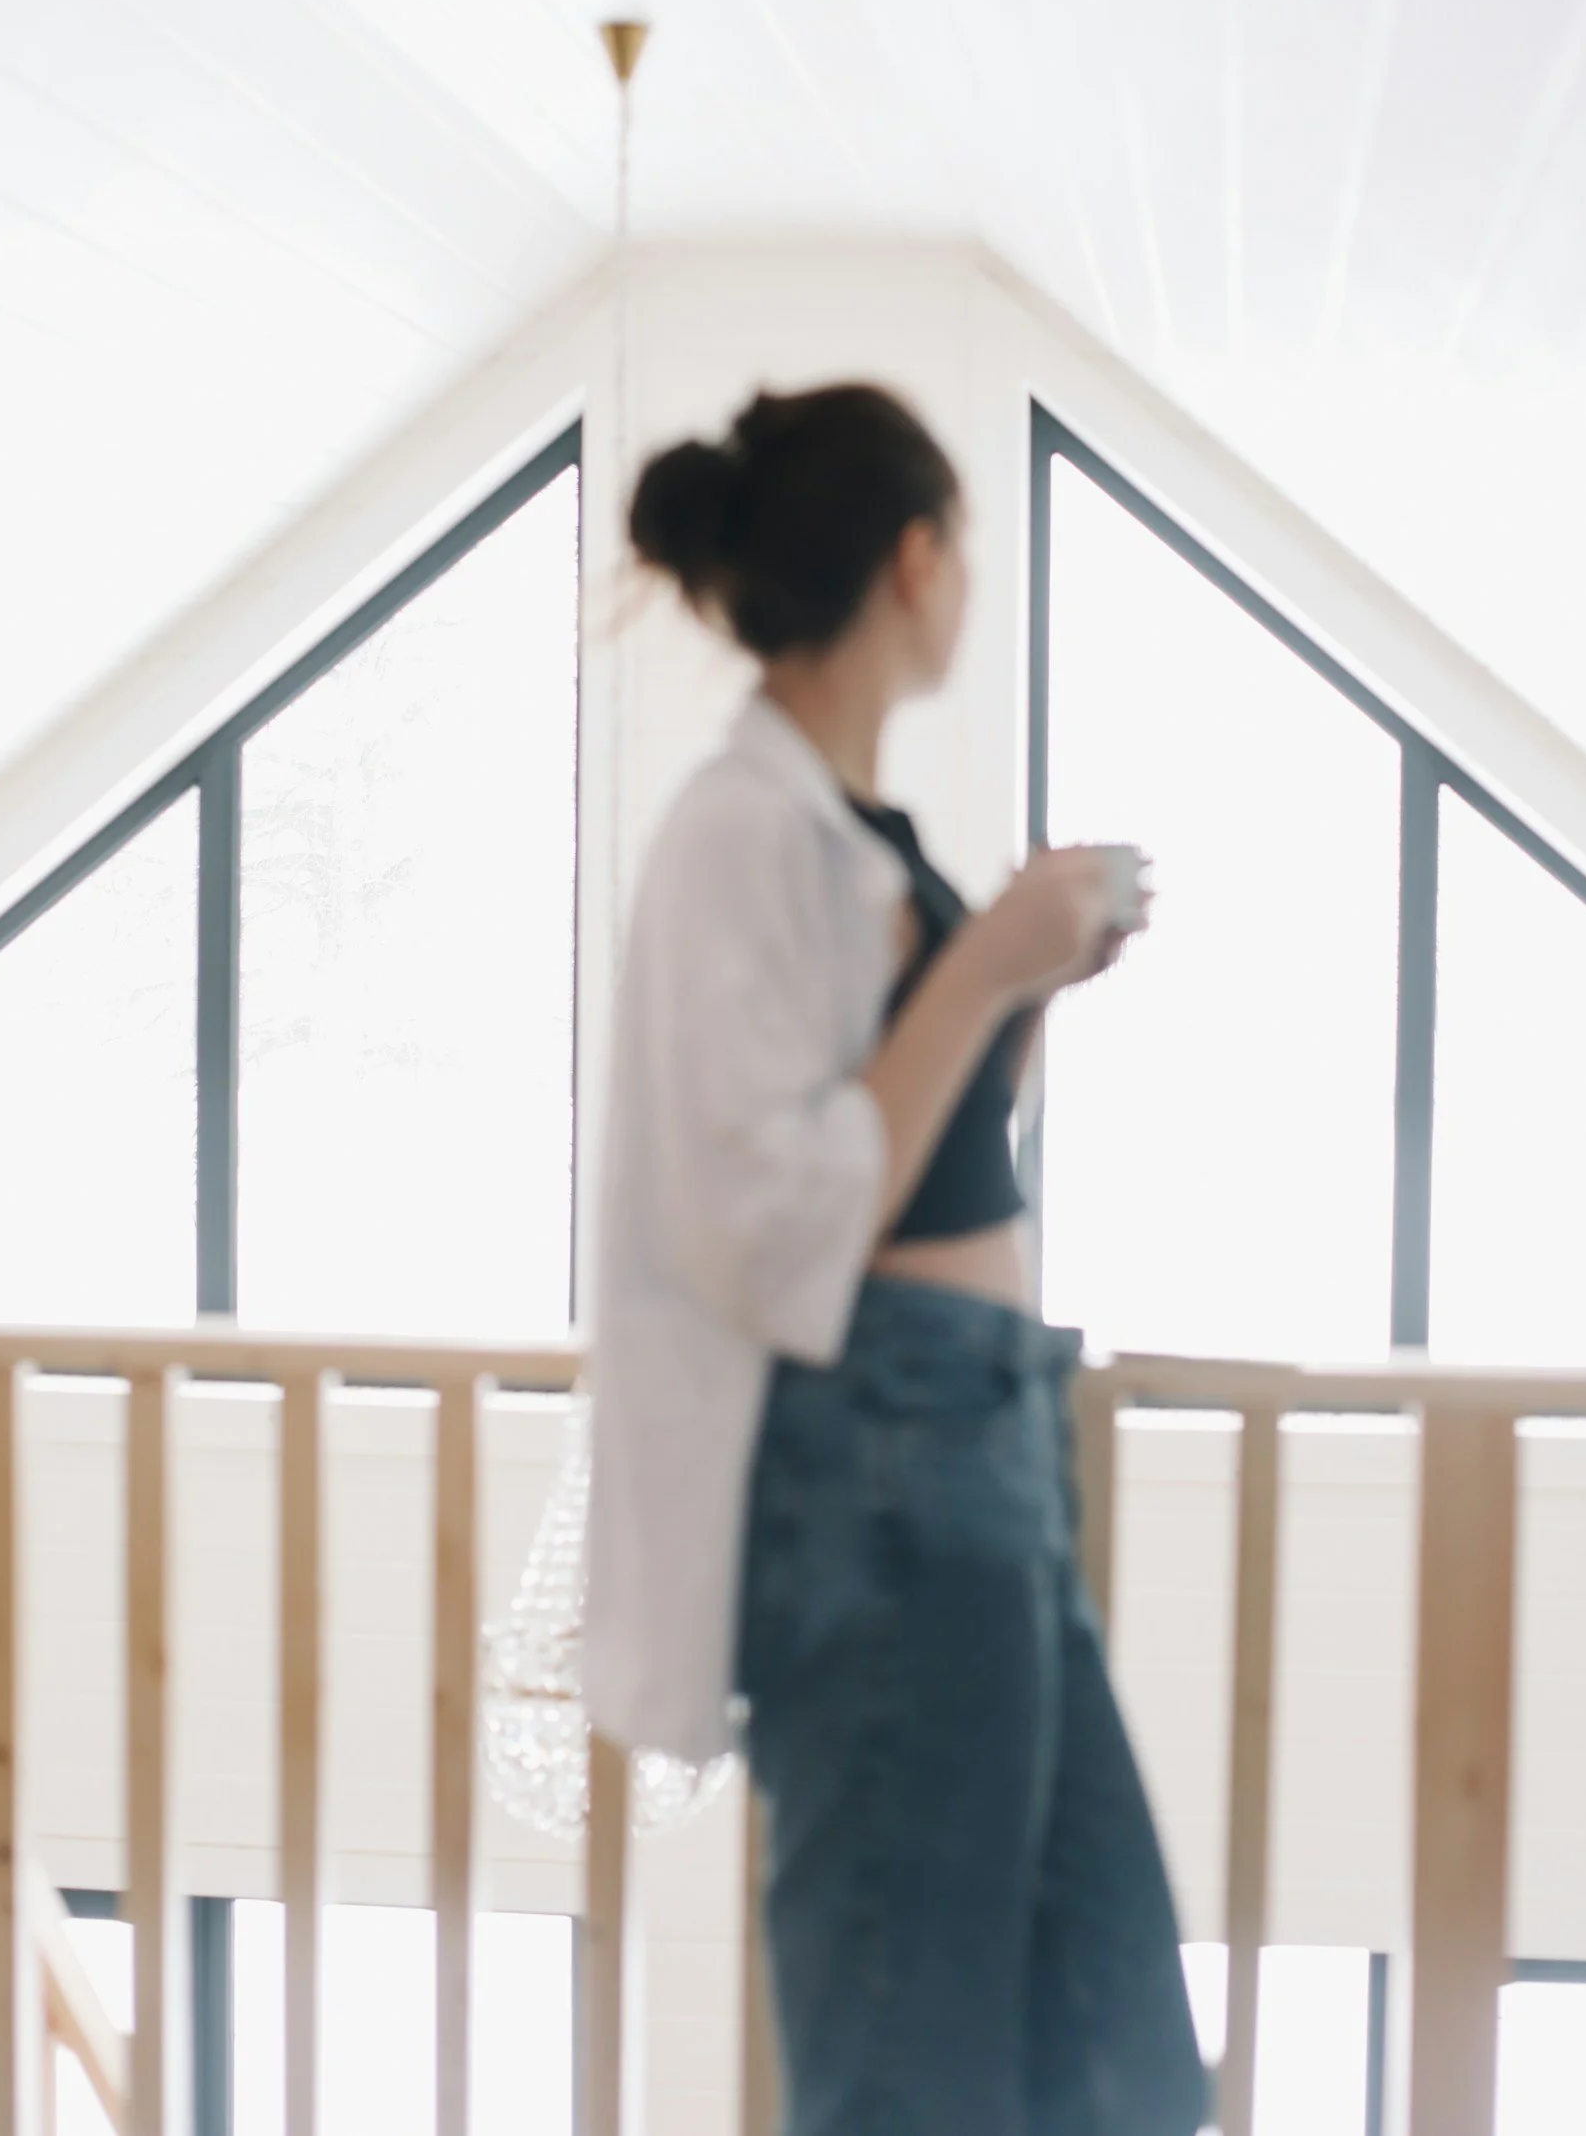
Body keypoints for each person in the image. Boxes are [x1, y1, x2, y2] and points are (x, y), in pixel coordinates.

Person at [586, 384, 1208, 2136]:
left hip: (981, 1438)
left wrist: (1023, 991)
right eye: (965, 557)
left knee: (1112, 2042)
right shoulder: (734, 833)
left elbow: (914, 1147)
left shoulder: (842, 826)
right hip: (881, 1456)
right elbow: (773, 1217)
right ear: (916, 558)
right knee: (907, 2050)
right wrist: (980, 963)